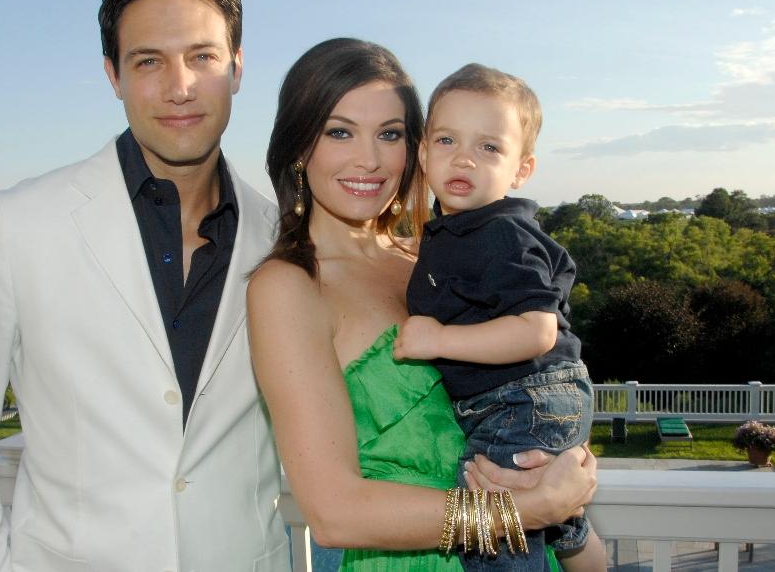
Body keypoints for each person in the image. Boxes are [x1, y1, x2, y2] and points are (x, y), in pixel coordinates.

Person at [0, 0, 290, 571]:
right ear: (113, 75)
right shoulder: (15, 225)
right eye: (149, 61)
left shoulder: (283, 238)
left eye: (202, 56)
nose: (180, 86)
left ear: (237, 68)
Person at [248, 39, 598, 571]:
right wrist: (523, 509)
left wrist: (565, 464)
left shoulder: (433, 260)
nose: (368, 159)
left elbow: (540, 375)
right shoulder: (289, 287)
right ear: (300, 145)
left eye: (389, 134)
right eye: (339, 131)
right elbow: (336, 513)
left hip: (526, 549)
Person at [393, 64, 606, 571]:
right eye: (446, 140)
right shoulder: (458, 235)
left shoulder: (502, 234)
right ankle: (578, 541)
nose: (464, 156)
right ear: (423, 155)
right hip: (529, 398)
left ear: (521, 170)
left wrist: (440, 338)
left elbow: (537, 331)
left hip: (522, 397)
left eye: (489, 147)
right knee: (548, 514)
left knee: (489, 519)